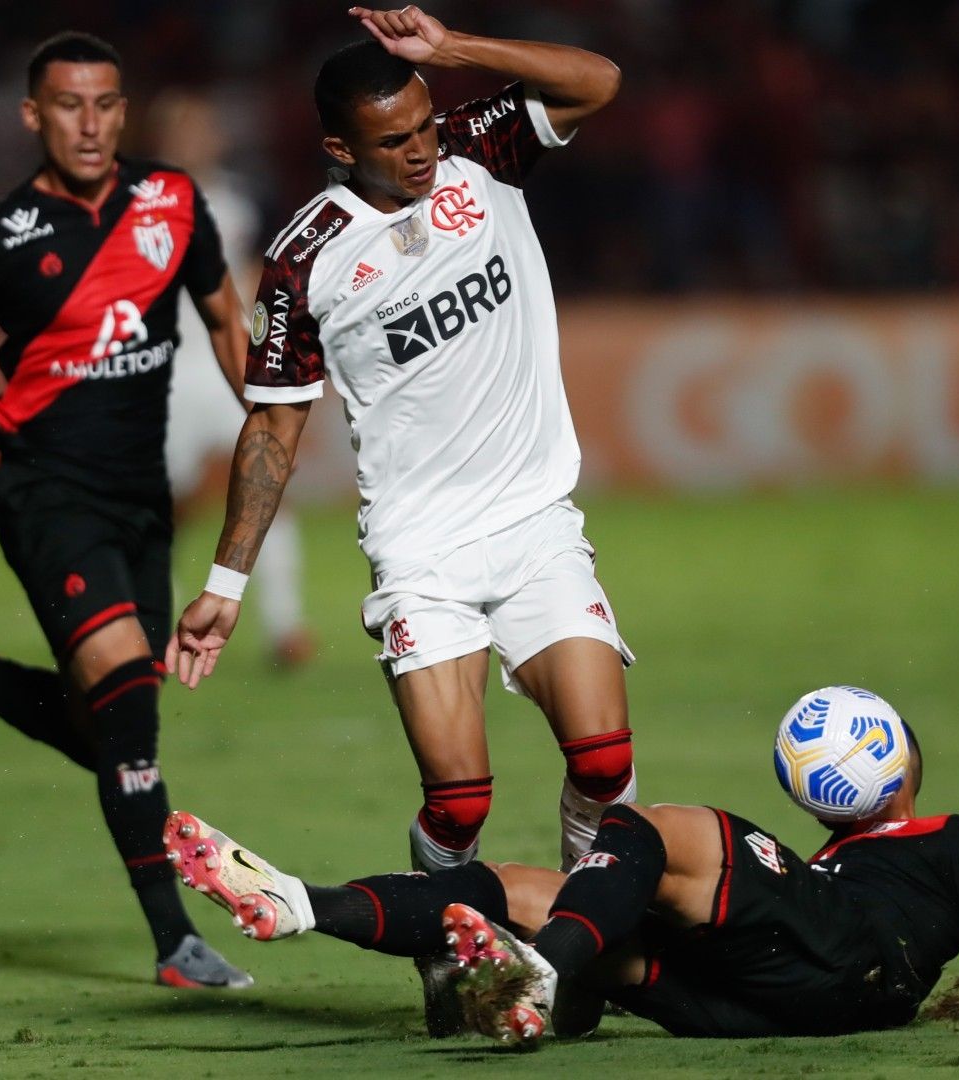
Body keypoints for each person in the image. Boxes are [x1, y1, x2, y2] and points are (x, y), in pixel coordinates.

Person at [171, 7, 634, 877]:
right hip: (422, 551)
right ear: (341, 149)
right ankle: (445, 945)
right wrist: (226, 585)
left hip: (534, 522)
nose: (420, 151)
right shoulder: (306, 260)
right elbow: (273, 425)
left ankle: (592, 924)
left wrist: (453, 49)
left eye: (424, 125)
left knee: (606, 763)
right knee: (459, 808)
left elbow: (598, 81)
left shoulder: (479, 151)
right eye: (393, 141)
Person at [0, 31, 252, 988]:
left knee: (107, 727)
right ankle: (175, 945)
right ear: (33, 116)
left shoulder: (173, 202)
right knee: (127, 715)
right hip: (45, 496)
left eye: (106, 105)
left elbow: (228, 319)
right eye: (68, 106)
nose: (89, 123)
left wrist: (267, 416)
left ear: (125, 110)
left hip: (140, 501)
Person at [161, 689, 959, 1042]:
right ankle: (302, 903)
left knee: (662, 829)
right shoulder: (905, 854)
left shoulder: (944, 843)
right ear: (900, 758)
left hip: (846, 963)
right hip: (771, 1002)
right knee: (532, 890)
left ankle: (546, 970)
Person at [150, 89, 318, 668]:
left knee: (268, 487)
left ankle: (285, 626)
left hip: (231, 361)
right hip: (167, 372)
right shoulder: (137, 204)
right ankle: (155, 627)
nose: (197, 142)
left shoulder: (239, 201)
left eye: (204, 131)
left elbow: (255, 279)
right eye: (185, 132)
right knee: (165, 505)